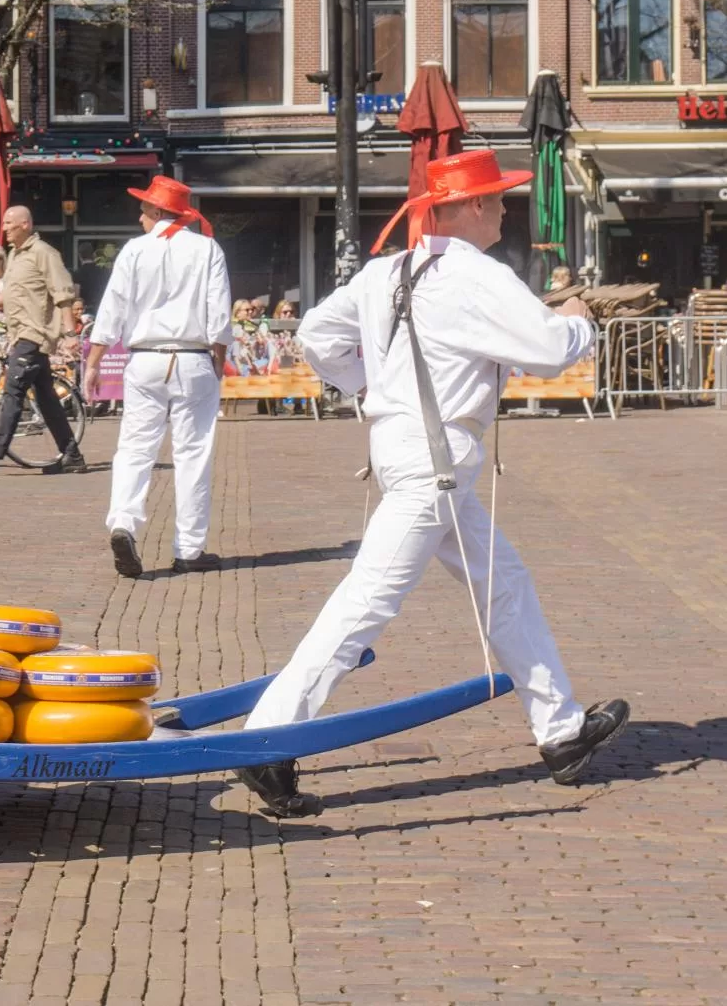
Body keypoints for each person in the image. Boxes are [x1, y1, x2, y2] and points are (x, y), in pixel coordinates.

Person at [234, 149, 627, 818]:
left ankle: (560, 730)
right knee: (368, 598)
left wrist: (372, 388)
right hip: (436, 460)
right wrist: (583, 319)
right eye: (499, 197)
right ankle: (269, 737)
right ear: (469, 204)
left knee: (504, 583)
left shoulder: (388, 270)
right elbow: (549, 349)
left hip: (409, 450)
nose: (506, 207)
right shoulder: (477, 273)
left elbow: (316, 336)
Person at [82, 177, 232, 577]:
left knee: (134, 448)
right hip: (192, 357)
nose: (140, 216)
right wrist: (217, 362)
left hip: (145, 358)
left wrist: (94, 359)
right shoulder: (207, 249)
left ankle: (123, 523)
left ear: (159, 212)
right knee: (193, 455)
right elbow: (219, 315)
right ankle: (189, 548)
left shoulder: (134, 250)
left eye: (145, 209)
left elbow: (112, 306)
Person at [0, 205, 86, 474]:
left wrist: (70, 334)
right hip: (20, 335)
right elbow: (9, 295)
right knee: (46, 399)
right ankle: (72, 455)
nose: (4, 228)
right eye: (4, 223)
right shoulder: (15, 256)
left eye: (9, 223)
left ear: (25, 224)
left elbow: (63, 295)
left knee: (13, 392)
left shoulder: (44, 254)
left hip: (34, 334)